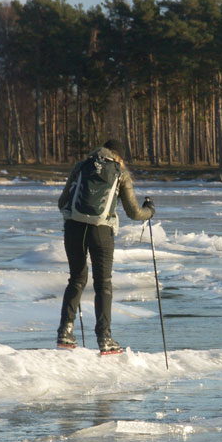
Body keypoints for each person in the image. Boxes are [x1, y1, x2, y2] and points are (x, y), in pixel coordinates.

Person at [56, 139, 155, 353]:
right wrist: (150, 211)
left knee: (76, 279)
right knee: (103, 284)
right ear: (119, 155)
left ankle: (65, 332)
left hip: (73, 228)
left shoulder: (81, 166)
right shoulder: (120, 173)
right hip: (100, 231)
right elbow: (134, 212)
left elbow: (62, 202)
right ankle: (105, 338)